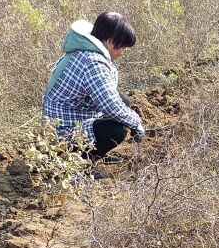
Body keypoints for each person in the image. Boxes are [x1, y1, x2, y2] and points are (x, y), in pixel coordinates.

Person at [43, 12, 145, 177]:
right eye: (122, 47)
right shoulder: (92, 62)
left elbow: (112, 99)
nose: (122, 52)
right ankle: (78, 164)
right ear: (110, 41)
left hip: (72, 121)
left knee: (123, 101)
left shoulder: (86, 51)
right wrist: (136, 124)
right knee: (116, 131)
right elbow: (111, 106)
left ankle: (96, 153)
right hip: (62, 135)